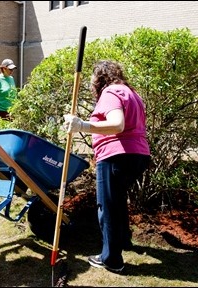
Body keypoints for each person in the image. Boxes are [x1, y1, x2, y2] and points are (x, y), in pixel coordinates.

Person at [63, 60, 151, 273]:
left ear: (99, 78)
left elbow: (117, 124)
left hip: (116, 155)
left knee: (107, 207)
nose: (91, 83)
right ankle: (122, 242)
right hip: (138, 155)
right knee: (117, 202)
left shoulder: (111, 92)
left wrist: (81, 125)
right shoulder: (131, 93)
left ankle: (111, 259)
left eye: (93, 78)